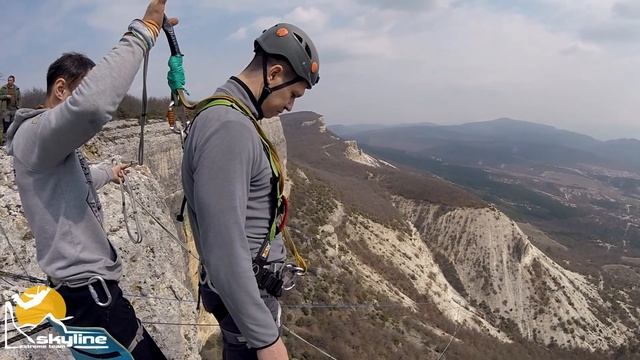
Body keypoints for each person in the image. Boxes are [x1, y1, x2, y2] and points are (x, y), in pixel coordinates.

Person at [4, 1, 177, 358]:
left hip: (83, 297)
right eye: (81, 89)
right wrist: (145, 31)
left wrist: (107, 174)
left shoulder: (48, 150)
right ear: (62, 89)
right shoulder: (35, 134)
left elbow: (71, 184)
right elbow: (93, 107)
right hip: (92, 300)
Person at [181, 23, 320, 359]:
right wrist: (265, 339)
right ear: (274, 73)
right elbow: (224, 247)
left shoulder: (229, 118)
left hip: (245, 297)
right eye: (293, 95)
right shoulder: (229, 128)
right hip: (247, 303)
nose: (289, 107)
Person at [0, 75, 21, 145]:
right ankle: (4, 141)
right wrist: (6, 96)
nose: (9, 82)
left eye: (10, 80)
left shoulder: (17, 89)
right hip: (6, 110)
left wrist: (19, 107)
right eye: (8, 80)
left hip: (14, 109)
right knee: (6, 125)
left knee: (13, 125)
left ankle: (12, 142)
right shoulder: (3, 88)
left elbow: (19, 99)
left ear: (13, 81)